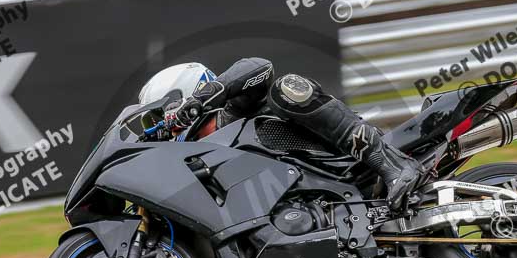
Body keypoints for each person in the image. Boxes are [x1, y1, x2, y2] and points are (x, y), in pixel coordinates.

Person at [138, 58, 424, 209]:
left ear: (183, 95)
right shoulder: (198, 161)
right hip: (312, 205)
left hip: (348, 165)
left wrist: (200, 101)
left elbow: (259, 66)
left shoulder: (234, 112)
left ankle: (393, 165)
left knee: (286, 88)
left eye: (160, 114)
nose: (164, 124)